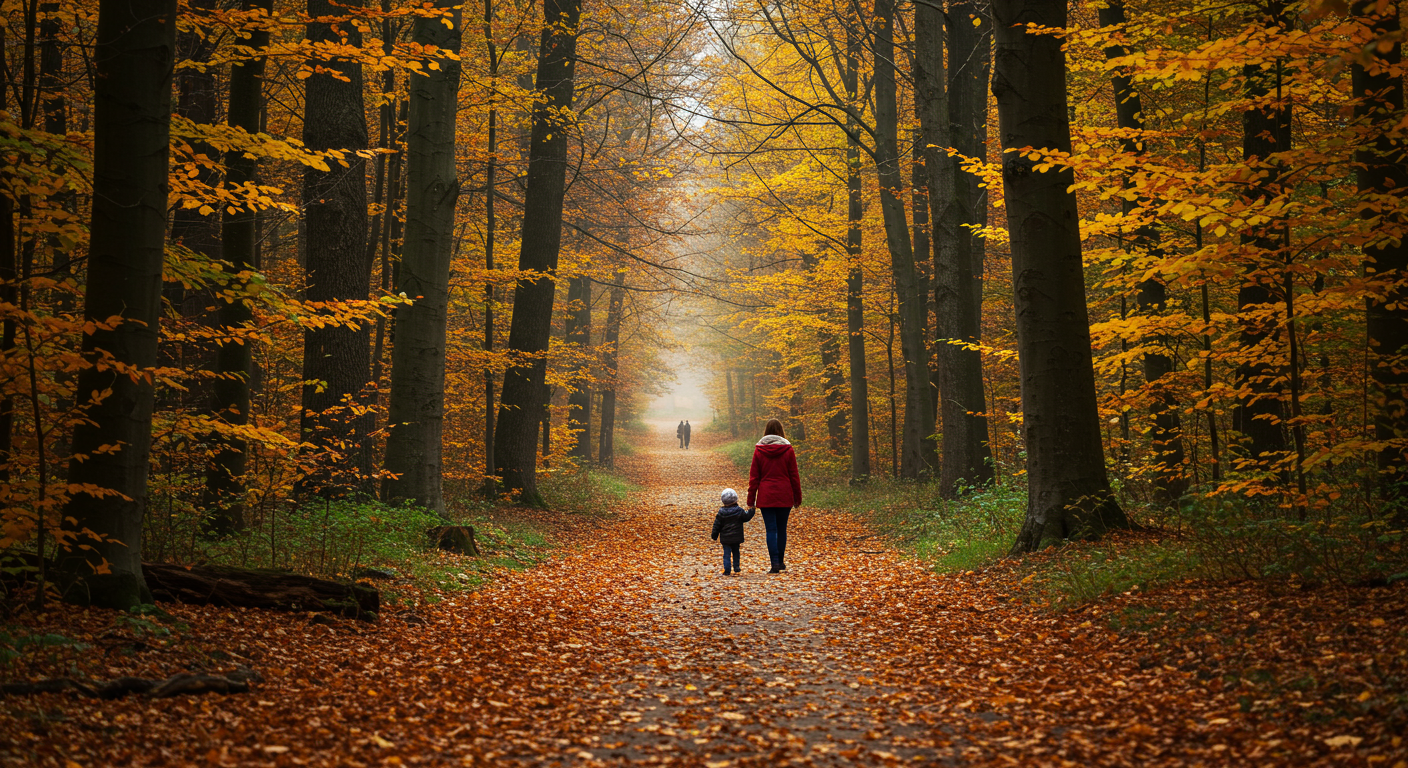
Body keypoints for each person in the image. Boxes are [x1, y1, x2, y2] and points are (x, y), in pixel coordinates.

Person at [746, 419, 801, 574]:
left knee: (771, 529)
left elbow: (754, 477)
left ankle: (775, 563)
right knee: (782, 529)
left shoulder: (759, 450)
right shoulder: (788, 450)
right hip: (784, 494)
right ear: (781, 431)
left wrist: (751, 500)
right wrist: (797, 498)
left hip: (766, 495)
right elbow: (794, 476)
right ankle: (781, 561)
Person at [710, 488, 755, 576]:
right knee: (736, 552)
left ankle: (727, 569)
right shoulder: (739, 511)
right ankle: (736, 566)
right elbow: (746, 517)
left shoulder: (721, 512)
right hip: (736, 537)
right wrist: (752, 510)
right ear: (736, 499)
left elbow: (717, 525)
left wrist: (714, 535)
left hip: (725, 538)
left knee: (726, 554)